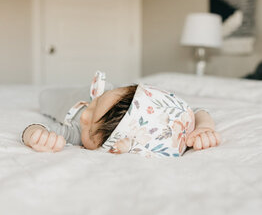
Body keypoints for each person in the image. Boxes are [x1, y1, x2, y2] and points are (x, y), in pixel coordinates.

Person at [21, 71, 221, 158]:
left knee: (46, 96)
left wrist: (36, 136)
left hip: (56, 101)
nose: (84, 117)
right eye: (97, 103)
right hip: (87, 90)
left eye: (90, 129)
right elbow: (196, 112)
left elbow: (35, 128)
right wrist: (205, 127)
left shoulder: (74, 130)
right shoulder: (112, 97)